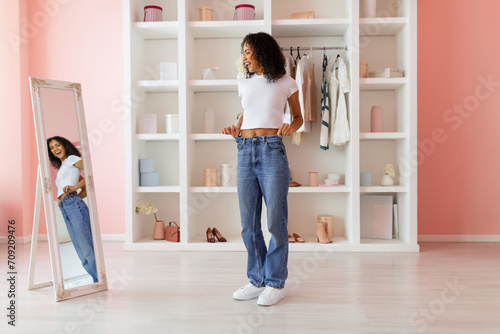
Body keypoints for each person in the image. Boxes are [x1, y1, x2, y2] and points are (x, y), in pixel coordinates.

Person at [222, 32, 303, 306]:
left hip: (271, 150)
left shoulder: (287, 82)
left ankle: (275, 283)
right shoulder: (243, 81)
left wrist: (291, 127)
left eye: (248, 52)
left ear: (262, 52)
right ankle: (257, 280)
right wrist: (237, 126)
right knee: (248, 224)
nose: (244, 58)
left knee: (275, 222)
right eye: (243, 52)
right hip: (244, 149)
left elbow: (299, 117)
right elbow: (246, 113)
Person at [47, 136, 98, 283]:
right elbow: (86, 185)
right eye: (52, 148)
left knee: (86, 247)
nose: (55, 149)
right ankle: (96, 280)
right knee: (80, 250)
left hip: (72, 205)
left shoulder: (71, 159)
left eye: (58, 145)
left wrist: (74, 190)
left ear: (65, 146)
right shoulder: (65, 166)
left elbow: (90, 171)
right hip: (67, 207)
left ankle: (98, 281)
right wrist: (73, 198)